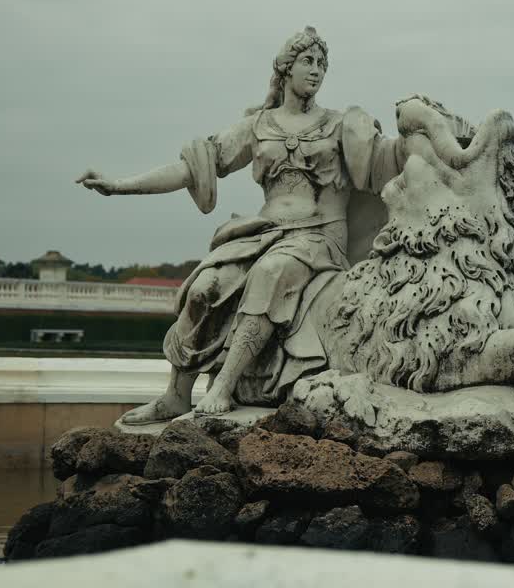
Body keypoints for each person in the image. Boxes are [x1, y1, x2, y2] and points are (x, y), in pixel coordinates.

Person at [77, 27, 440, 422]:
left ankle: (223, 387)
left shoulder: (340, 126)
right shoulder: (258, 125)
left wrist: (432, 132)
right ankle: (177, 394)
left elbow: (388, 160)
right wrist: (119, 185)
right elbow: (193, 167)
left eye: (322, 64)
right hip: (263, 233)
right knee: (203, 288)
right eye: (307, 62)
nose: (316, 71)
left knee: (271, 273)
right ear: (285, 69)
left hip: (318, 236)